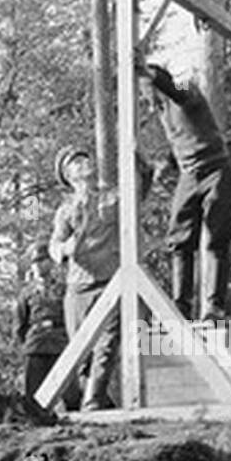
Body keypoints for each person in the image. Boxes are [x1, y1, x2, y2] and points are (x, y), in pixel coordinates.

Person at [48, 145, 155, 410]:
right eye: (76, 161)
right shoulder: (65, 210)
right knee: (81, 354)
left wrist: (136, 157)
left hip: (111, 284)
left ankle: (94, 400)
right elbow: (53, 246)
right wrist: (63, 249)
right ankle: (95, 401)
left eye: (85, 157)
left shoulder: (111, 199)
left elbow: (139, 187)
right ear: (68, 175)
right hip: (78, 289)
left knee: (107, 344)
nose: (84, 162)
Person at [136, 59, 231, 322]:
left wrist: (150, 73)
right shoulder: (160, 110)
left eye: (146, 88)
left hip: (215, 167)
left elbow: (180, 92)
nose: (145, 96)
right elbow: (187, 136)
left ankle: (214, 307)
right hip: (189, 174)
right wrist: (167, 163)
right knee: (178, 239)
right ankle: (180, 306)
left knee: (217, 235)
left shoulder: (183, 86)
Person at [16, 242, 80, 410]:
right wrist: (27, 343)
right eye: (35, 261)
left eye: (42, 260)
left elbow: (71, 316)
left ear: (50, 262)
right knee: (34, 395)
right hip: (35, 345)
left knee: (71, 393)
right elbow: (20, 325)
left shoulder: (63, 289)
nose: (38, 264)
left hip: (59, 344)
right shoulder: (26, 292)